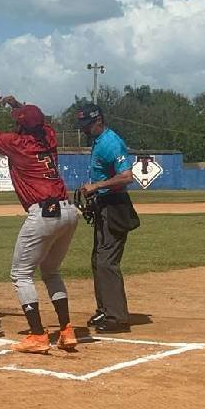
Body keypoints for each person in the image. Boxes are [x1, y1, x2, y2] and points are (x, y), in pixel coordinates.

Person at [0, 91, 79, 353]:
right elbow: (37, 122)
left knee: (20, 274)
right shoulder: (49, 136)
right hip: (68, 211)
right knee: (51, 271)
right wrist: (19, 106)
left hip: (44, 212)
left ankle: (38, 334)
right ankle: (66, 329)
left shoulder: (17, 142)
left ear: (21, 125)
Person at [76, 102, 140, 333]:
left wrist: (97, 186)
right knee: (98, 260)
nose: (83, 129)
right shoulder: (98, 141)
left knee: (107, 262)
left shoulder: (111, 142)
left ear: (99, 121)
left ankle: (117, 317)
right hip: (104, 205)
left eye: (87, 124)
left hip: (115, 207)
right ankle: (105, 309)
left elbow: (126, 177)